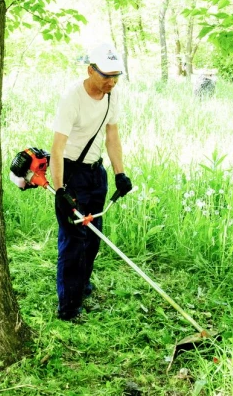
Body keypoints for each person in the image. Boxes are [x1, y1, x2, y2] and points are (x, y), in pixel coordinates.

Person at [50, 43, 133, 321]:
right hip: (70, 173)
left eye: (116, 76)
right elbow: (58, 148)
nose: (111, 82)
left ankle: (81, 285)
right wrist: (60, 190)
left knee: (93, 236)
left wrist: (120, 173)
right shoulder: (72, 97)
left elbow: (112, 136)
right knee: (73, 241)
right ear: (90, 70)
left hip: (96, 175)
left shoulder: (112, 96)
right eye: (106, 76)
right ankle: (68, 307)